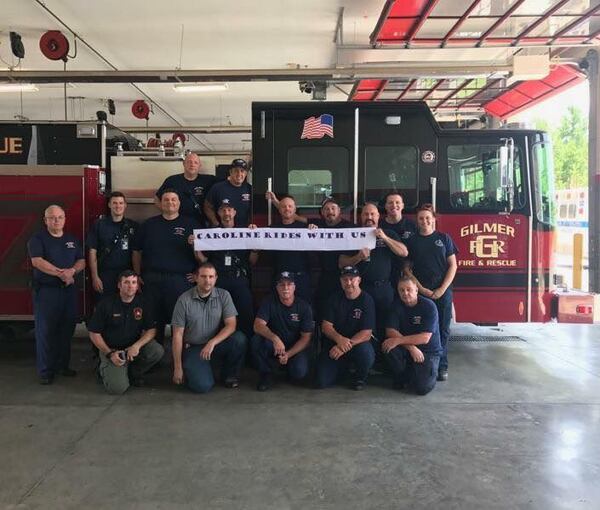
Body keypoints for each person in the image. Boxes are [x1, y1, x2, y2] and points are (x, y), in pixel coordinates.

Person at [132, 189, 202, 342]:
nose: (170, 202)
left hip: (180, 281)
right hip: (152, 280)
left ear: (179, 203)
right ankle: (155, 358)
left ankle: (181, 359)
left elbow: (202, 254)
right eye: (166, 200)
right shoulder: (148, 225)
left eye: (173, 200)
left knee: (182, 322)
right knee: (154, 321)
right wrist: (137, 275)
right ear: (160, 203)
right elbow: (137, 251)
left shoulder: (191, 224)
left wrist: (198, 273)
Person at [27, 205, 85, 384]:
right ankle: (46, 371)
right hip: (47, 292)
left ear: (65, 219)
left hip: (68, 292)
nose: (56, 220)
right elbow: (37, 262)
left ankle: (62, 366)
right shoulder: (37, 239)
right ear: (45, 220)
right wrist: (62, 274)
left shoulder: (72, 240)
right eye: (52, 218)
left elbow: (81, 260)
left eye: (60, 217)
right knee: (46, 332)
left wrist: (72, 271)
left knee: (66, 330)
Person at [171, 262, 247, 394]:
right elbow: (177, 335)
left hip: (214, 344)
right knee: (202, 386)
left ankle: (228, 375)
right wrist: (177, 367)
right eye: (204, 276)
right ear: (196, 278)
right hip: (193, 347)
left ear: (216, 278)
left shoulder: (224, 295)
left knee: (239, 339)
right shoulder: (184, 300)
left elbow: (231, 325)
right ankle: (195, 368)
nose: (208, 281)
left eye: (211, 277)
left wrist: (212, 342)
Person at [404, 203, 458, 382]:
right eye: (421, 218)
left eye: (428, 217)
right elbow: (407, 270)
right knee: (421, 329)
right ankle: (424, 364)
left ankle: (442, 366)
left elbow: (453, 265)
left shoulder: (444, 238)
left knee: (442, 330)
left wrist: (442, 289)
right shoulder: (412, 241)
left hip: (442, 292)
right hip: (420, 293)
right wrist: (421, 289)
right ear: (416, 221)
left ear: (434, 219)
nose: (425, 221)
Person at [339, 202, 408, 340]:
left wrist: (385, 238)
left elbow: (404, 252)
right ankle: (368, 356)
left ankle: (384, 356)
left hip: (384, 288)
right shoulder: (353, 235)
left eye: (372, 214)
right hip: (361, 290)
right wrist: (358, 257)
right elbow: (341, 263)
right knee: (363, 326)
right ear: (361, 217)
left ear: (378, 216)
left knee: (386, 324)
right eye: (365, 214)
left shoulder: (388, 233)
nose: (369, 217)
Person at [88, 270, 164, 394]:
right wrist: (110, 354)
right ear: (119, 285)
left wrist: (137, 346)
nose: (130, 286)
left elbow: (151, 330)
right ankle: (102, 369)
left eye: (134, 282)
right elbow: (93, 333)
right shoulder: (106, 304)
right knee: (117, 389)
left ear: (137, 285)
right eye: (126, 282)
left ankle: (132, 373)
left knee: (156, 351)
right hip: (111, 349)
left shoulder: (143, 303)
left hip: (132, 349)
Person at [197, 199, 258, 338]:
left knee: (246, 316)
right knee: (215, 317)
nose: (227, 213)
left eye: (229, 210)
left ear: (235, 212)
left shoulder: (246, 232)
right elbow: (203, 260)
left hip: (239, 280)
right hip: (219, 281)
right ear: (218, 212)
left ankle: (246, 351)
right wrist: (195, 247)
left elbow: (252, 261)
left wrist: (255, 249)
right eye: (223, 210)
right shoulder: (211, 234)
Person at [315, 266, 376, 391]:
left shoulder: (367, 300)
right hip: (334, 343)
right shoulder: (334, 298)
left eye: (352, 279)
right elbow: (326, 327)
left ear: (359, 280)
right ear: (341, 281)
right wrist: (339, 340)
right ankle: (342, 370)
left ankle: (360, 377)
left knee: (366, 353)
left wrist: (344, 346)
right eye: (345, 279)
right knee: (321, 382)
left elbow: (366, 333)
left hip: (357, 344)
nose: (348, 282)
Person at [251, 271, 314, 391]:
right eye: (282, 284)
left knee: (299, 373)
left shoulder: (304, 306)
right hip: (275, 345)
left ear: (294, 287)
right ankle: (266, 374)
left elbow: (306, 338)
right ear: (277, 287)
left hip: (294, 348)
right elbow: (258, 325)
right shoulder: (268, 301)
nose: (285, 288)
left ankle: (286, 368)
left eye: (289, 284)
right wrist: (275, 338)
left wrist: (289, 354)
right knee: (256, 341)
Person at [381, 276, 442, 395]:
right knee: (388, 346)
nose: (405, 293)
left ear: (416, 290)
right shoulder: (395, 306)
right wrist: (411, 348)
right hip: (408, 349)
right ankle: (403, 377)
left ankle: (427, 372)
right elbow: (390, 331)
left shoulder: (429, 306)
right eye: (401, 290)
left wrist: (399, 341)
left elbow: (425, 338)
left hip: (428, 352)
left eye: (409, 289)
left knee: (422, 388)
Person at [87, 191, 138, 301]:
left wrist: (137, 276)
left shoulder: (132, 226)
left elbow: (136, 253)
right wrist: (95, 277)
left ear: (125, 205)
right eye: (114, 203)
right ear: (109, 205)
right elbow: (92, 252)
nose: (118, 206)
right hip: (105, 274)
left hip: (126, 275)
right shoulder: (99, 225)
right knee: (104, 307)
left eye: (120, 203)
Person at [269, 194, 313, 302]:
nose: (287, 209)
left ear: (295, 208)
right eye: (283, 206)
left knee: (305, 308)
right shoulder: (271, 229)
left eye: (290, 206)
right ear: (279, 209)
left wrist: (314, 232)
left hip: (301, 277)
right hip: (280, 278)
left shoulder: (306, 229)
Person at [156, 152, 215, 224]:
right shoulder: (172, 180)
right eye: (189, 162)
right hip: (177, 223)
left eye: (195, 163)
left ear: (200, 166)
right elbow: (156, 199)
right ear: (184, 164)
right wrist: (169, 213)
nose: (192, 165)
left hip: (201, 224)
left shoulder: (209, 180)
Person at [379, 192, 417, 285]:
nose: (394, 205)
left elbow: (418, 248)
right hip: (386, 272)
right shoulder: (380, 226)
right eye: (390, 203)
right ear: (385, 206)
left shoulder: (412, 225)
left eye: (397, 202)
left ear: (402, 205)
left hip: (409, 271)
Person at [204, 158, 252, 227]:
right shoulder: (218, 188)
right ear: (230, 172)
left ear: (246, 173)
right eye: (236, 171)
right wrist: (215, 222)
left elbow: (253, 211)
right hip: (222, 233)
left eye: (242, 171)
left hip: (243, 232)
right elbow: (207, 206)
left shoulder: (249, 189)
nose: (239, 174)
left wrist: (251, 224)